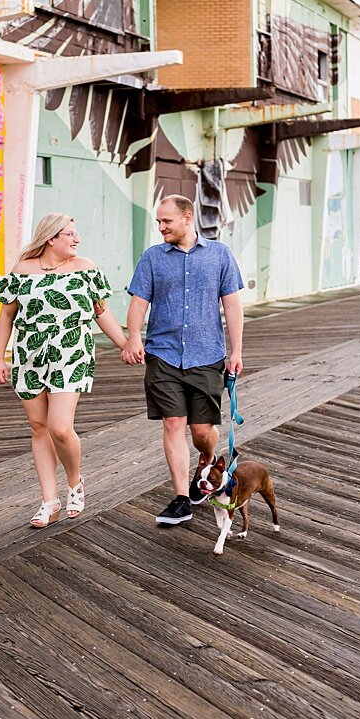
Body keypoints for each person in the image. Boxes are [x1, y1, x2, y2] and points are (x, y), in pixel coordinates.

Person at [0, 213, 129, 528]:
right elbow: (6, 318)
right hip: (29, 356)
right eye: (70, 234)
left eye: (76, 233)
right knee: (38, 427)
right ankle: (48, 501)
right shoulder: (22, 271)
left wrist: (125, 344)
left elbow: (101, 312)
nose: (77, 239)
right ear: (51, 238)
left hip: (72, 353)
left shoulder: (85, 269)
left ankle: (74, 482)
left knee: (60, 428)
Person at [120, 195, 244, 528]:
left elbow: (232, 306)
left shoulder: (220, 255)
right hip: (163, 354)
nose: (160, 227)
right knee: (174, 423)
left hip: (207, 355)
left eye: (166, 221)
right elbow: (138, 303)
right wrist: (134, 338)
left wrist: (236, 351)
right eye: (158, 222)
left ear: (187, 218)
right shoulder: (152, 259)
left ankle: (206, 460)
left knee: (202, 430)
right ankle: (181, 499)